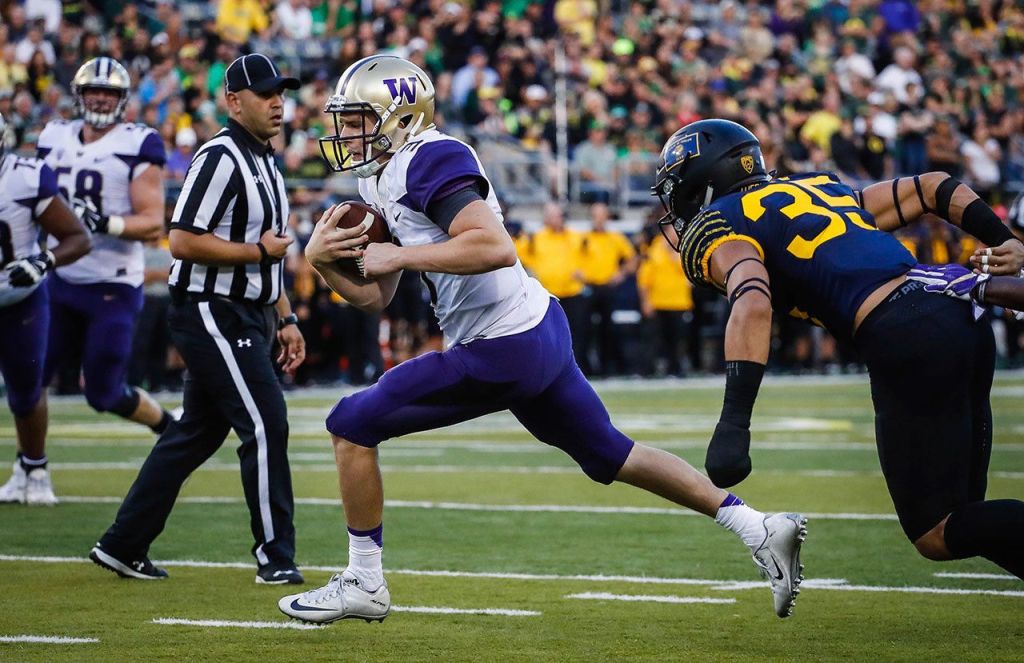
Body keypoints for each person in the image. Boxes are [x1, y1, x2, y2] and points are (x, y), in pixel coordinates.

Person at [278, 55, 807, 624]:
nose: (345, 132)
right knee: (613, 454)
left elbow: (493, 246)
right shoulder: (379, 175)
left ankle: (364, 580)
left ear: (401, 116)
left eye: (358, 118)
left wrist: (400, 254)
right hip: (533, 328)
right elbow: (375, 298)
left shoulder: (430, 157)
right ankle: (757, 525)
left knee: (349, 424)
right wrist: (320, 263)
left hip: (502, 344)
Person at [652, 118, 1024, 578]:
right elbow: (934, 187)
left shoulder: (718, 221)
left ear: (700, 181)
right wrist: (1007, 240)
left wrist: (734, 423)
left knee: (936, 530)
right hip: (958, 313)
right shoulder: (817, 188)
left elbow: (751, 296)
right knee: (969, 512)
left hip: (904, 333)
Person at [90, 54, 307, 586]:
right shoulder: (221, 156)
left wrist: (287, 317)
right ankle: (275, 557)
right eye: (265, 93)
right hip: (212, 308)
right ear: (234, 102)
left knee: (195, 434)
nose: (278, 102)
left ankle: (122, 543)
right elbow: (182, 240)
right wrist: (256, 251)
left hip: (250, 311)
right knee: (264, 421)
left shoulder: (267, 161)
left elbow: (271, 254)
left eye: (281, 92)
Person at [35, 57, 175, 453]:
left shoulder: (137, 142)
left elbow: (151, 223)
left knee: (103, 393)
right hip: (59, 278)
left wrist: (101, 223)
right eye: (93, 91)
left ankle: (169, 426)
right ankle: (32, 466)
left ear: (122, 99)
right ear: (79, 95)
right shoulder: (54, 135)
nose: (99, 99)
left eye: (108, 92)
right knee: (30, 378)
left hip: (111, 284)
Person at [0, 112, 91, 505]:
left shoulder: (25, 176)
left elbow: (77, 237)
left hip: (18, 297)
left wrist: (41, 261)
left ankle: (34, 466)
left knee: (25, 388)